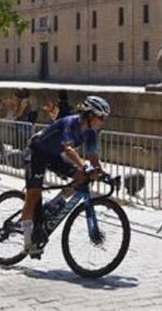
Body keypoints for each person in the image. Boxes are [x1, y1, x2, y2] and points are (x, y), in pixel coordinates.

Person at [20, 95, 111, 256]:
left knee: (82, 177)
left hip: (54, 155)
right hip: (37, 151)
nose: (103, 121)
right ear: (90, 115)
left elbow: (93, 159)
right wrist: (83, 165)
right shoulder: (71, 122)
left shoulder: (92, 133)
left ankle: (53, 205)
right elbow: (68, 149)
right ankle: (28, 241)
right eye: (101, 117)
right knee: (33, 195)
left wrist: (105, 175)